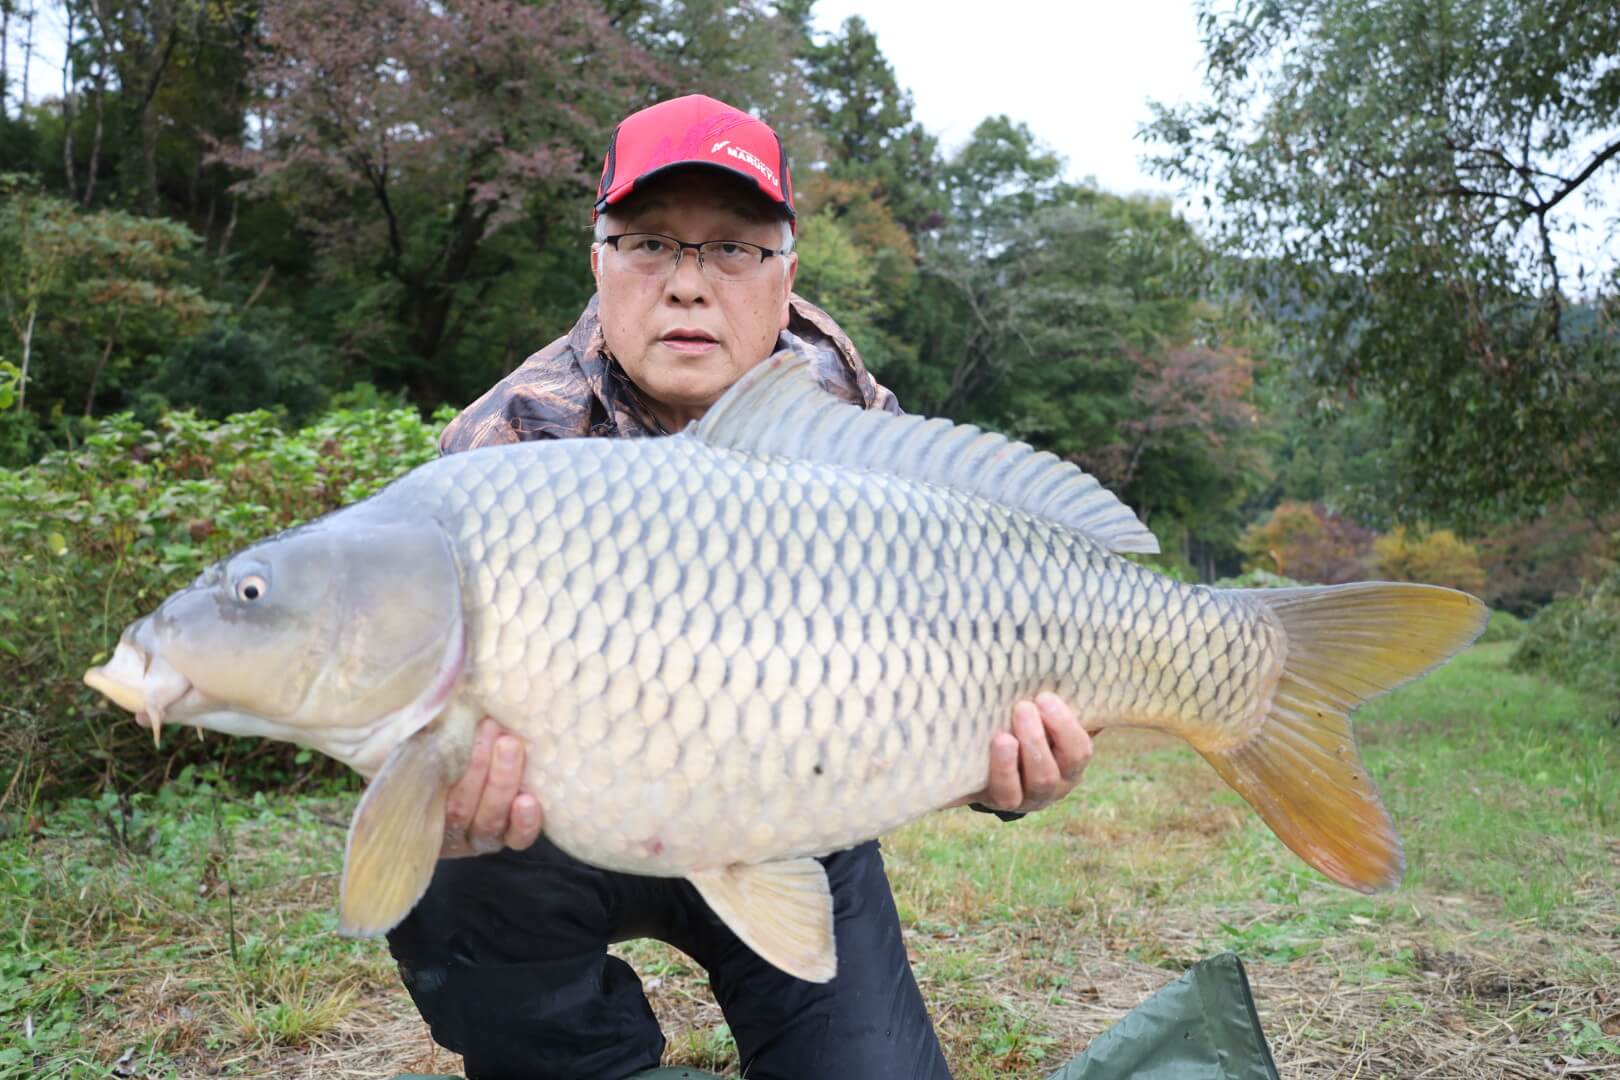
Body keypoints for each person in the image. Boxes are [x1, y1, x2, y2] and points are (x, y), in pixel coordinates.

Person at [385, 94, 1095, 1080]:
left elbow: (963, 668)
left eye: (731, 249)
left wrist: (1013, 774)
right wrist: (435, 796)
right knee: (452, 879)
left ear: (787, 271)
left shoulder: (855, 425)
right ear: (598, 259)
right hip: (553, 835)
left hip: (787, 813)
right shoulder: (506, 442)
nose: (686, 285)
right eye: (648, 244)